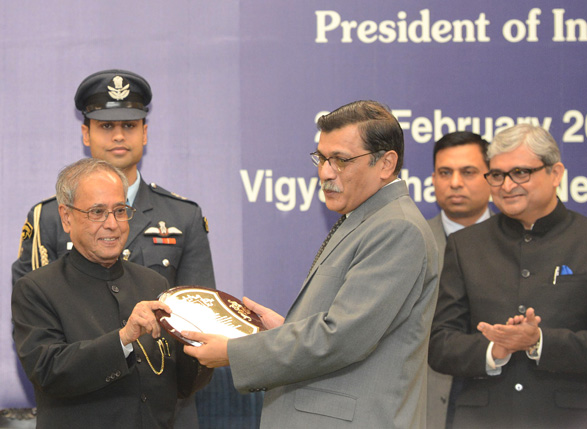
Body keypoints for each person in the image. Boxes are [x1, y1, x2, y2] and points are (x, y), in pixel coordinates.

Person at [183, 100, 439, 428]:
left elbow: (342, 337)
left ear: (386, 163)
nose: (325, 172)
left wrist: (236, 353)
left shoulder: (396, 228)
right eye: (322, 158)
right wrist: (285, 330)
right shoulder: (365, 218)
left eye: (341, 160)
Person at [11, 69, 215, 428]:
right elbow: (43, 352)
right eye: (96, 212)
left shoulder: (180, 220)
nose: (112, 224)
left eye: (120, 211)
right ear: (67, 218)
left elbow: (193, 319)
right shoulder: (44, 226)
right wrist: (122, 339)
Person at [429, 124, 587, 428]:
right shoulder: (465, 245)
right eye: (497, 175)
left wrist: (540, 341)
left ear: (556, 173)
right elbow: (441, 345)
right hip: (482, 418)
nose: (507, 186)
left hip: (572, 418)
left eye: (521, 173)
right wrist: (494, 350)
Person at [426, 131, 492, 429]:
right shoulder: (410, 241)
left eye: (468, 172)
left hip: (497, 401)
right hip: (424, 404)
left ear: (491, 177)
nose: (455, 182)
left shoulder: (519, 243)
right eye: (445, 172)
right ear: (432, 179)